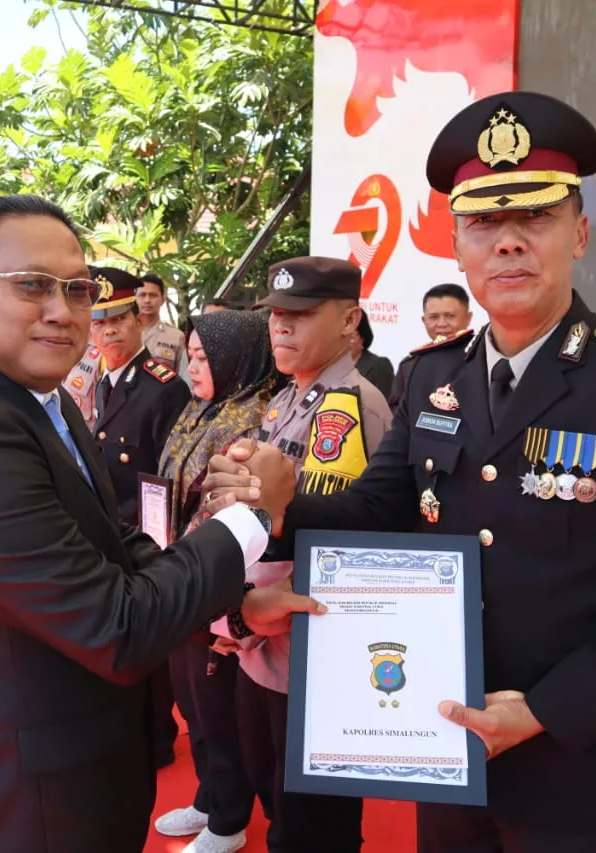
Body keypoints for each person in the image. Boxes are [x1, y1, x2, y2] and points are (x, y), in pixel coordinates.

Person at [206, 91, 596, 853]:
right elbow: (379, 508)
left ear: (581, 232)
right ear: (458, 247)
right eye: (485, 222)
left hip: (591, 768)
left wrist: (544, 710)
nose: (508, 243)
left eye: (535, 217)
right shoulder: (433, 375)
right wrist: (282, 507)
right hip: (447, 746)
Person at [0, 194, 320, 853]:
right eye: (31, 285)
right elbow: (116, 626)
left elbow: (114, 542)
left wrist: (233, 604)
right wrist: (254, 513)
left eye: (78, 289)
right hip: (19, 810)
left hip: (73, 785)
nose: (63, 311)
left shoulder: (34, 400)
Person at [219, 256, 390, 853]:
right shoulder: (288, 399)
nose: (281, 327)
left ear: (350, 321)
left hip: (310, 650)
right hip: (263, 637)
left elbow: (327, 536)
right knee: (276, 801)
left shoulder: (346, 405)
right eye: (275, 315)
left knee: (312, 825)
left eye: (301, 314)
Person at [154, 308, 284, 853]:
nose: (194, 367)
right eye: (193, 357)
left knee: (218, 708)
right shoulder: (203, 408)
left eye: (206, 358)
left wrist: (201, 578)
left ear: (237, 359)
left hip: (218, 584)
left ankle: (228, 822)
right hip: (179, 573)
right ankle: (210, 797)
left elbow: (238, 514)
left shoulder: (252, 419)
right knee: (193, 701)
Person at [90, 266, 192, 525]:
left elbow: (171, 478)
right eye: (99, 323)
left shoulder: (165, 388)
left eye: (118, 319)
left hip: (140, 534)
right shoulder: (103, 382)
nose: (109, 330)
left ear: (138, 322)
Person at [388, 283, 473, 412]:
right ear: (424, 320)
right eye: (434, 317)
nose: (442, 324)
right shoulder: (409, 366)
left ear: (468, 318)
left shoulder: (481, 360)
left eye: (450, 316)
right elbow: (396, 414)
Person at [137, 272, 187, 368]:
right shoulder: (125, 332)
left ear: (163, 300)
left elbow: (183, 375)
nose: (147, 300)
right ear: (135, 299)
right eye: (142, 295)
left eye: (153, 295)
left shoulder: (176, 337)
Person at [351, 311, 395, 400]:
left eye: (351, 337)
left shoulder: (380, 366)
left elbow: (386, 406)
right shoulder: (332, 367)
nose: (344, 343)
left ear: (362, 339)